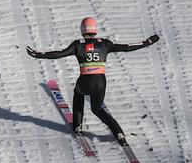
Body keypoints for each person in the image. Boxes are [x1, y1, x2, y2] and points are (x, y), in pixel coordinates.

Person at [27, 17, 159, 145]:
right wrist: (147, 42)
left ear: (82, 30)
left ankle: (77, 126)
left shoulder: (78, 44)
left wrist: (38, 54)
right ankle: (119, 133)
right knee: (97, 109)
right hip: (100, 82)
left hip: (85, 81)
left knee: (78, 93)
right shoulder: (105, 43)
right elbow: (126, 47)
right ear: (95, 29)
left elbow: (59, 54)